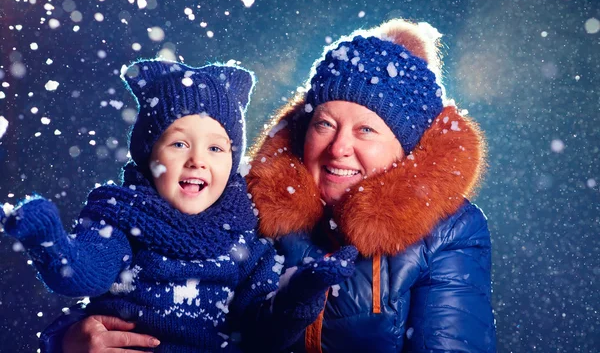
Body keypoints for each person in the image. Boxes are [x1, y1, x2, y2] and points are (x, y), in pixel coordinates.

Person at [56, 18, 496, 352]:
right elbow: (142, 282)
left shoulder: (449, 231)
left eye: (366, 131)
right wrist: (68, 338)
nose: (338, 148)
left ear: (406, 148)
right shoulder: (243, 200)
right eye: (325, 124)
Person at [1, 59, 357, 352]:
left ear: (232, 162)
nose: (197, 160)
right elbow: (83, 272)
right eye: (178, 145)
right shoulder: (124, 219)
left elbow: (265, 335)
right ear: (148, 155)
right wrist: (50, 241)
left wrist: (302, 294)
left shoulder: (246, 239)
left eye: (216, 148)